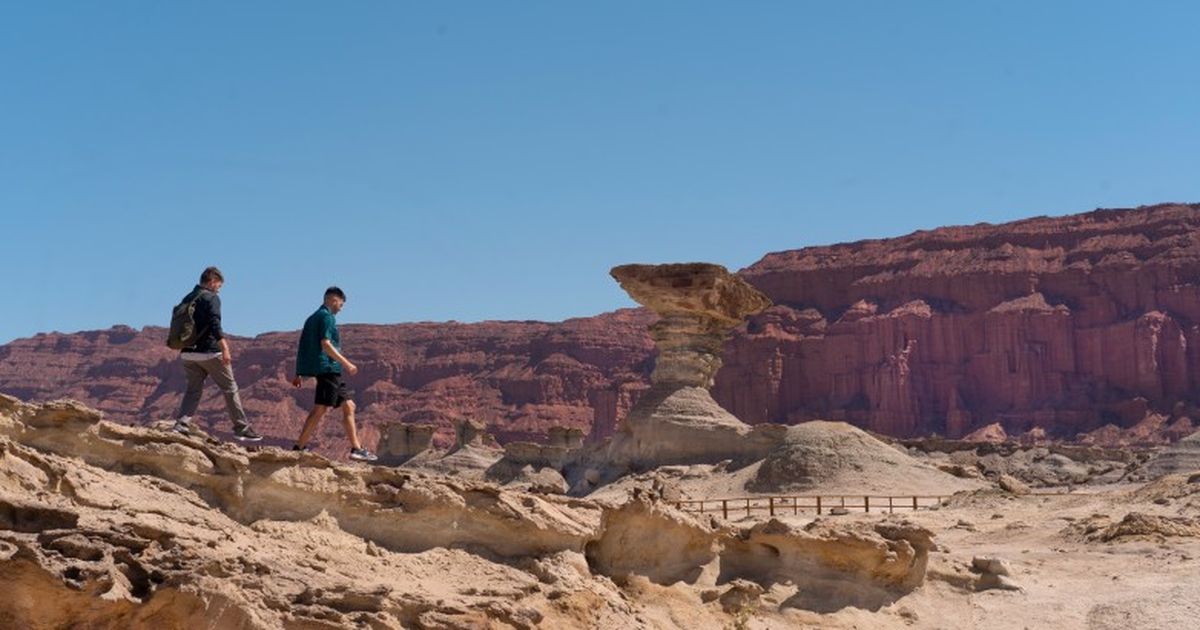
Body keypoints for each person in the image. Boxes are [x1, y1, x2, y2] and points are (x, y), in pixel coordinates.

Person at [172, 267, 262, 441]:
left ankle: (181, 424)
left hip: (187, 354)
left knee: (193, 390)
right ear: (212, 281)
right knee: (230, 388)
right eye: (219, 286)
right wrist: (225, 348)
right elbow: (215, 324)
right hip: (209, 353)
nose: (219, 289)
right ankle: (241, 428)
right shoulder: (211, 298)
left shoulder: (188, 298)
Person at [291, 286, 377, 461]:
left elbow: (304, 347)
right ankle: (299, 447)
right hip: (328, 368)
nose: (341, 309)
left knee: (348, 406)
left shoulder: (312, 318)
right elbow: (326, 344)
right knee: (320, 409)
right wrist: (347, 363)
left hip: (326, 369)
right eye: (341, 304)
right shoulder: (327, 317)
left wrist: (300, 372)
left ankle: (356, 448)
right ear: (333, 300)